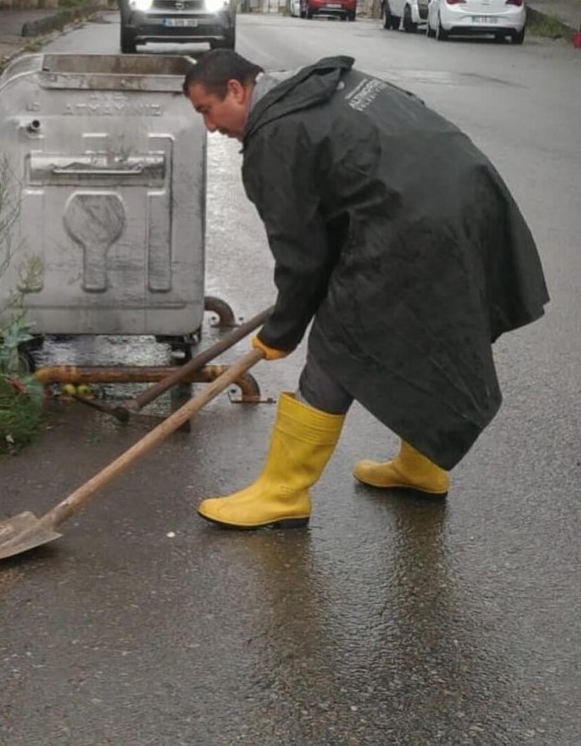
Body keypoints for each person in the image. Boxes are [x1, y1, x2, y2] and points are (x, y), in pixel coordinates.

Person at [182, 51, 548, 530]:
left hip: (416, 222)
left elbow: (302, 253)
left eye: (206, 110)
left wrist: (283, 330)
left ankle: (282, 492)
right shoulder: (321, 82)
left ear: (236, 89)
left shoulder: (275, 135)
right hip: (470, 195)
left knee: (341, 341)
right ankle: (421, 467)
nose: (210, 127)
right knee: (427, 333)